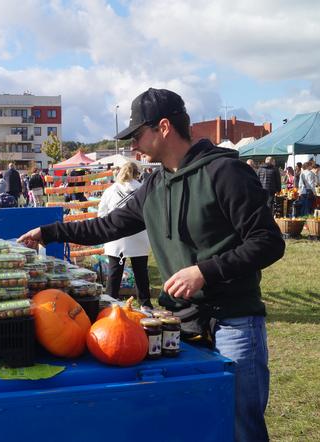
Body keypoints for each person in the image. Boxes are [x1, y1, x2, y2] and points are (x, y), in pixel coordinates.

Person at [18, 88, 284, 442]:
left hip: (234, 323)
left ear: (163, 127)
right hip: (180, 325)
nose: (132, 146)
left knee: (241, 427)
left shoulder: (226, 172)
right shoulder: (154, 185)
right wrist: (49, 232)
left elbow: (268, 241)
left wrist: (204, 270)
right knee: (196, 423)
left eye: (136, 135)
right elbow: (106, 226)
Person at [97, 162, 152, 308]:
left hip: (116, 236)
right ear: (137, 174)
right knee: (141, 272)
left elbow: (101, 214)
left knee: (115, 273)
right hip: (138, 235)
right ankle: (145, 304)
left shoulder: (110, 190)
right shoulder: (143, 189)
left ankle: (109, 304)